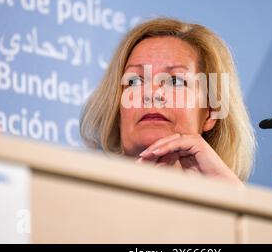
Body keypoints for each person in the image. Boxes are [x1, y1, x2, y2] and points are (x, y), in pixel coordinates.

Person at [80, 17, 256, 186]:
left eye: (175, 81)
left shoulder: (230, 205)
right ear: (117, 111)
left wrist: (232, 199)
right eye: (135, 81)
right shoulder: (81, 199)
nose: (152, 94)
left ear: (210, 112)